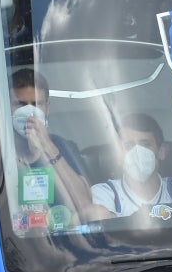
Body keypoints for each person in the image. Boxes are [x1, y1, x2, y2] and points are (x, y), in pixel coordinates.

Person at [10, 68, 112, 228]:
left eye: (37, 104)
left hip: (63, 234)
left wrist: (47, 148)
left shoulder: (63, 146)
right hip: (21, 240)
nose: (30, 112)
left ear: (47, 108)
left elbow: (85, 204)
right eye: (21, 105)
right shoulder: (1, 149)